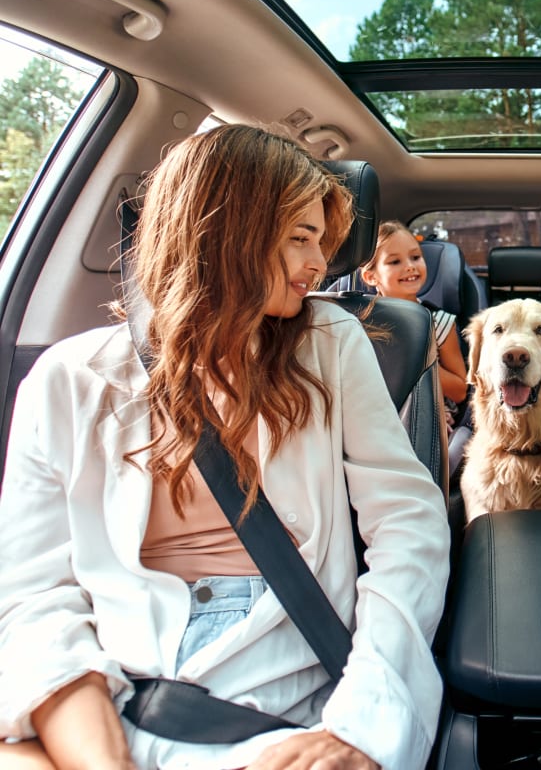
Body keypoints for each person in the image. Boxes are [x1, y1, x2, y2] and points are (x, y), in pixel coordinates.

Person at [0, 125, 450, 770]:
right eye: (299, 238)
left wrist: (360, 726)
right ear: (219, 229)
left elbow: (408, 524)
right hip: (108, 691)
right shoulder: (68, 379)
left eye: (321, 241)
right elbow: (34, 597)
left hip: (281, 703)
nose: (319, 265)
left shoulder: (330, 342)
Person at [360, 221, 469, 430]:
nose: (410, 265)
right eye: (395, 261)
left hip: (427, 415)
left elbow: (460, 391)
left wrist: (414, 362)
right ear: (371, 276)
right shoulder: (360, 323)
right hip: (372, 414)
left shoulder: (440, 323)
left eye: (416, 257)